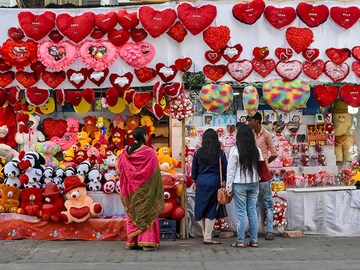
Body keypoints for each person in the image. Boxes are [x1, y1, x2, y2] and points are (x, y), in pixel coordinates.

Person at [117, 127, 164, 251]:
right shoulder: (149, 152)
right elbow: (154, 172)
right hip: (146, 190)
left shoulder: (124, 152)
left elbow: (119, 170)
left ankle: (133, 242)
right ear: (144, 136)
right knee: (148, 212)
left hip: (131, 190)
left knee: (134, 213)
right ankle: (147, 242)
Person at [226, 123, 264, 248]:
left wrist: (228, 187)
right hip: (254, 183)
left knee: (241, 213)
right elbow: (262, 167)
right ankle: (254, 240)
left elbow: (231, 170)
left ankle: (240, 240)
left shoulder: (235, 150)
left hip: (240, 184)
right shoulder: (257, 150)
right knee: (252, 211)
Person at [191, 128, 227, 245]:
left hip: (201, 181)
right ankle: (207, 236)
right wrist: (225, 181)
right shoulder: (220, 153)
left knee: (202, 207)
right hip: (214, 182)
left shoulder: (198, 152)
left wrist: (194, 181)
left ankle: (205, 234)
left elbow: (194, 169)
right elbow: (225, 168)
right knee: (211, 208)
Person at [247, 112, 277, 241]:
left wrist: (265, 164)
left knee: (268, 202)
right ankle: (254, 230)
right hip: (253, 173)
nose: (249, 122)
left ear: (258, 121)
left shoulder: (267, 135)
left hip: (264, 174)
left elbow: (274, 153)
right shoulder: (251, 134)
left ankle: (269, 231)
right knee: (255, 202)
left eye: (251, 120)